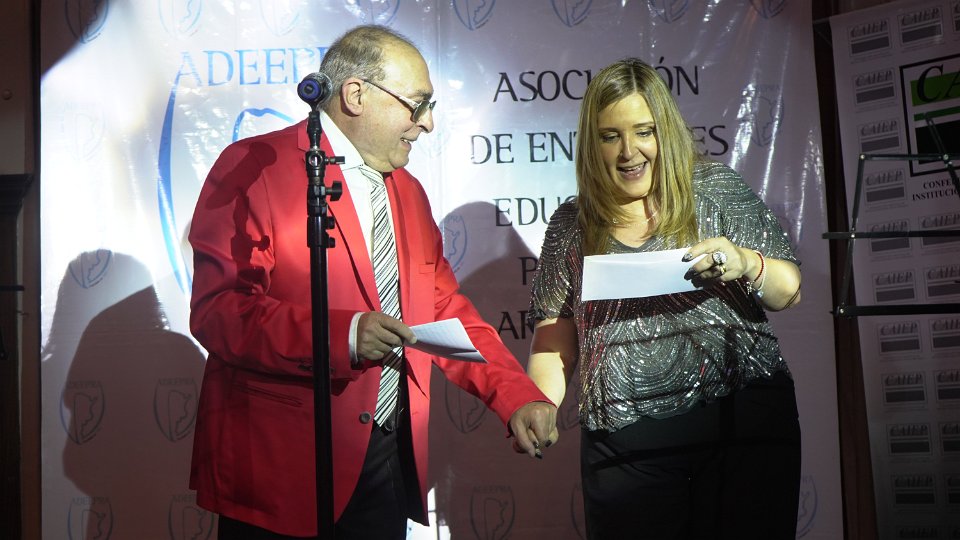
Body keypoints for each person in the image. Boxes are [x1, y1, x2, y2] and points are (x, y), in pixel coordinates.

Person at [188, 25, 557, 540]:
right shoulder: (255, 167)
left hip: (385, 464)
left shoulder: (409, 191)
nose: (427, 122)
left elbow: (444, 309)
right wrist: (342, 335)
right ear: (356, 95)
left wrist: (515, 395)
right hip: (282, 470)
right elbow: (220, 311)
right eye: (417, 104)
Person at [526, 58, 803, 539]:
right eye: (610, 136)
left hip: (742, 424)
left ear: (666, 132)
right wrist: (540, 402)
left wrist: (745, 262)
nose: (629, 151)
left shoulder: (714, 189)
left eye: (644, 131)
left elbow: (789, 290)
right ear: (591, 144)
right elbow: (554, 336)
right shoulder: (572, 224)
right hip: (625, 443)